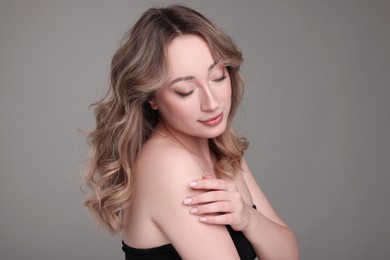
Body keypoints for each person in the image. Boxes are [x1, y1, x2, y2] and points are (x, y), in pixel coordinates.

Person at [83, 4, 299, 260]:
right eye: (186, 90)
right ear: (152, 98)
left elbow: (288, 254)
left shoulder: (221, 149)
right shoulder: (168, 165)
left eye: (218, 77)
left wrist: (248, 218)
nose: (212, 103)